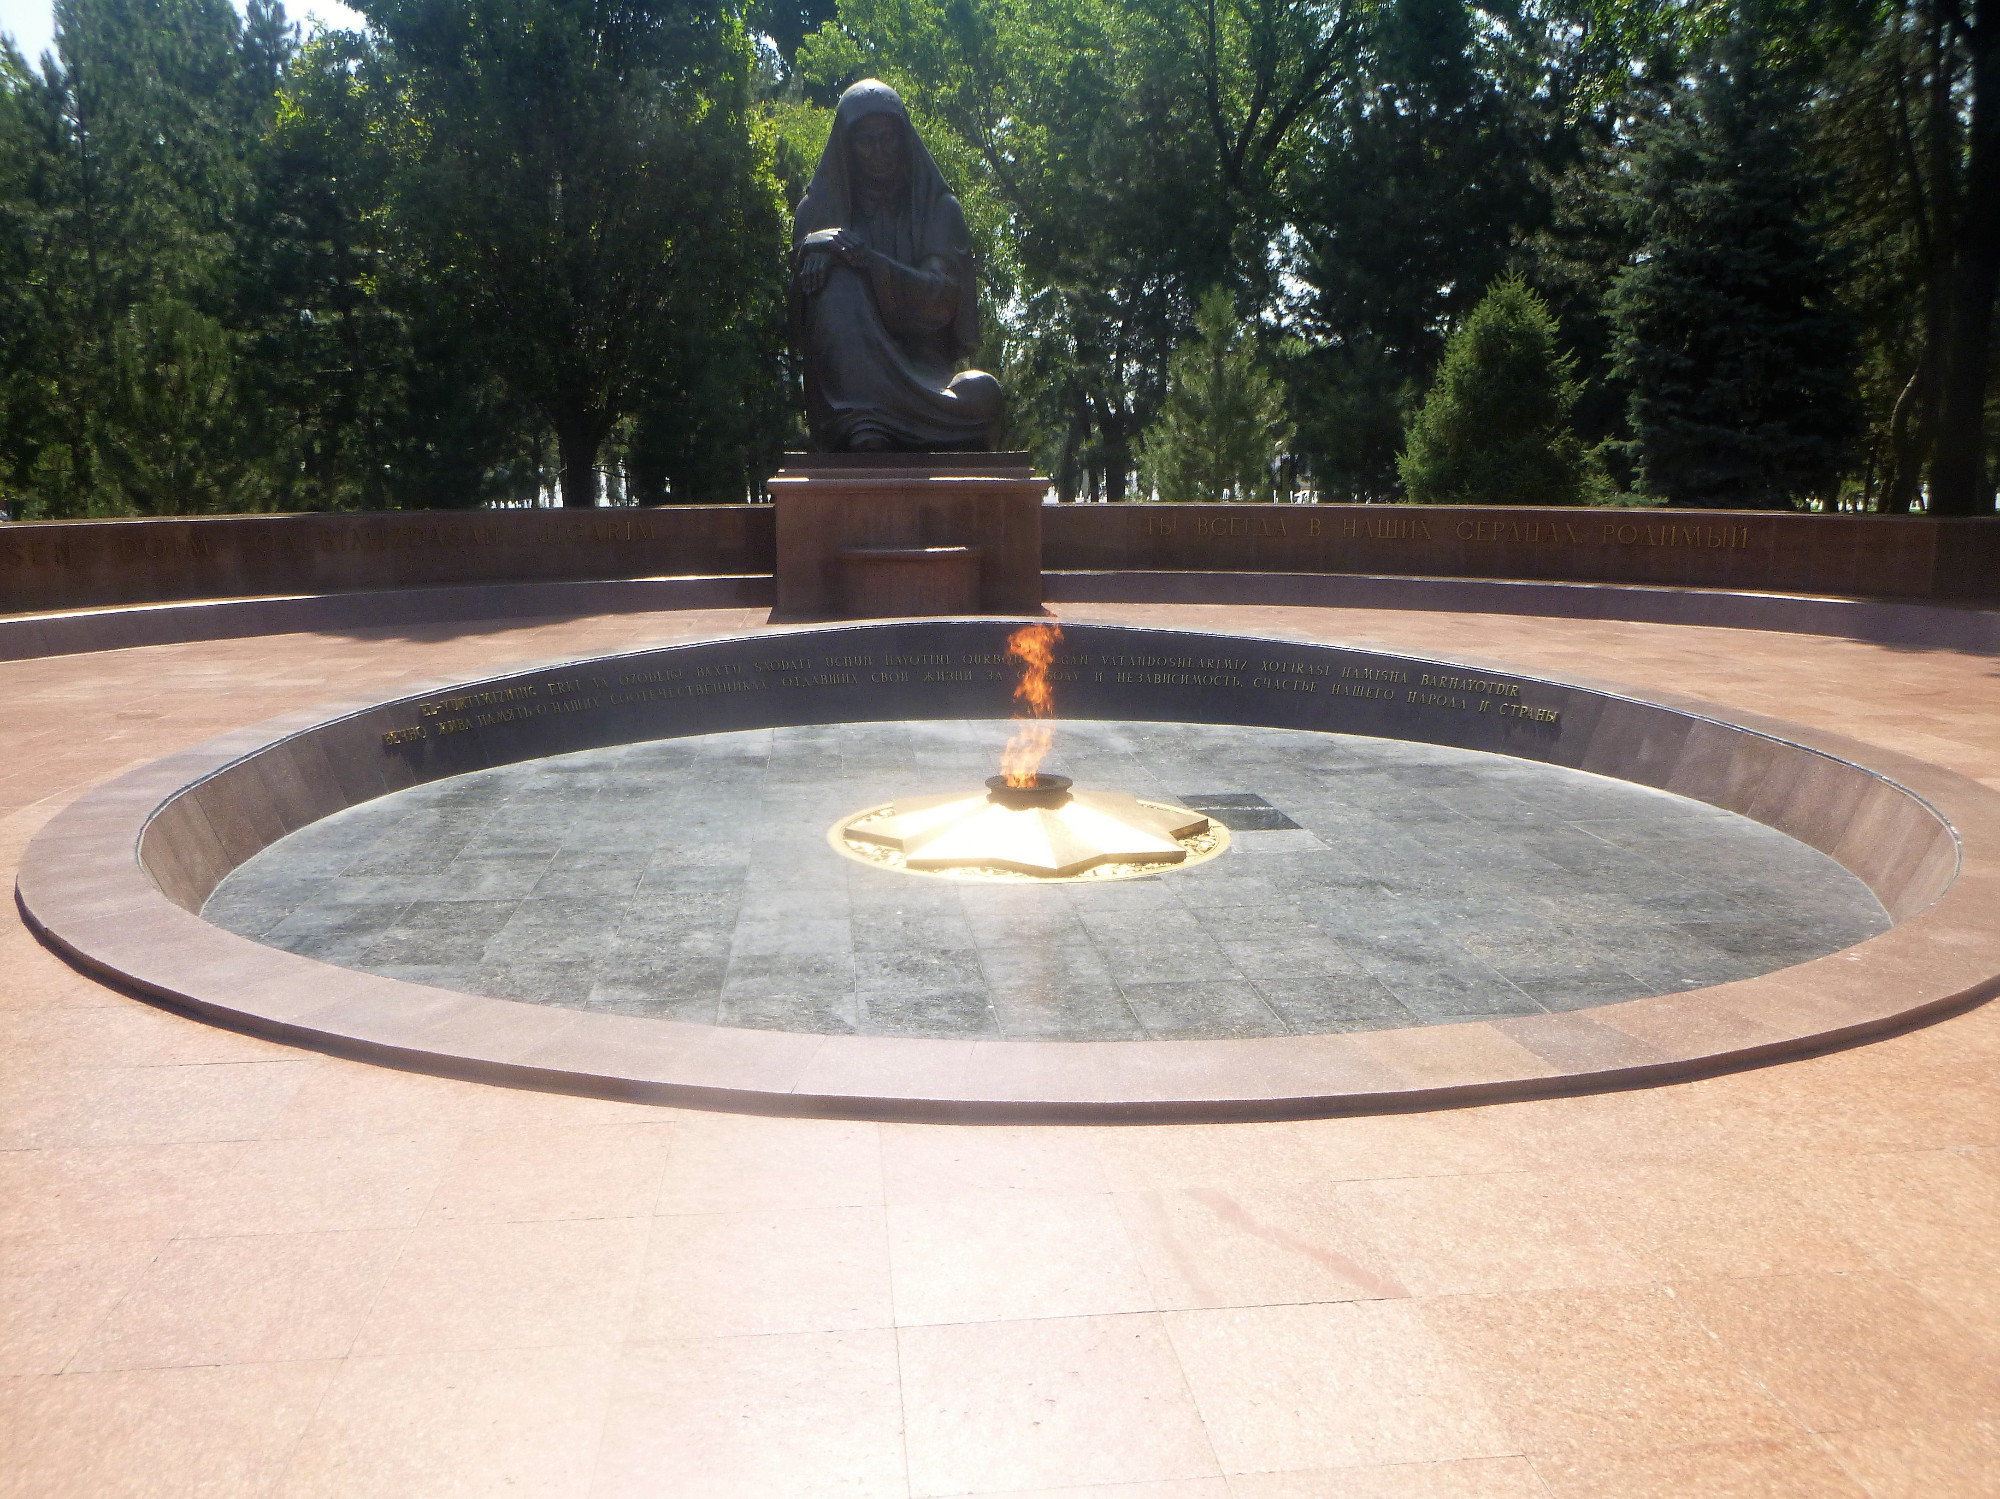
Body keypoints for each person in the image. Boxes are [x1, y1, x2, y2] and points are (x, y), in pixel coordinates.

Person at [790, 79, 1003, 452]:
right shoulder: (816, 214)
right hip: (849, 386)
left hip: (925, 376)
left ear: (904, 140)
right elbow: (798, 324)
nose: (879, 152)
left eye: (888, 137)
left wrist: (869, 262)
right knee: (834, 279)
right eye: (866, 140)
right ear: (847, 147)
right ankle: (864, 422)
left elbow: (939, 300)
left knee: (982, 392)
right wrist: (811, 247)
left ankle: (882, 419)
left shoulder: (938, 209)